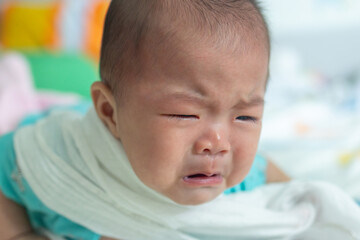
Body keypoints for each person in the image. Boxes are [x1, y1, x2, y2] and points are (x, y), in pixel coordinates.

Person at [0, 0, 317, 239]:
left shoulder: (246, 181)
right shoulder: (61, 163)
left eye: (246, 116)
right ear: (110, 113)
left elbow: (302, 196)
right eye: (185, 114)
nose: (217, 144)